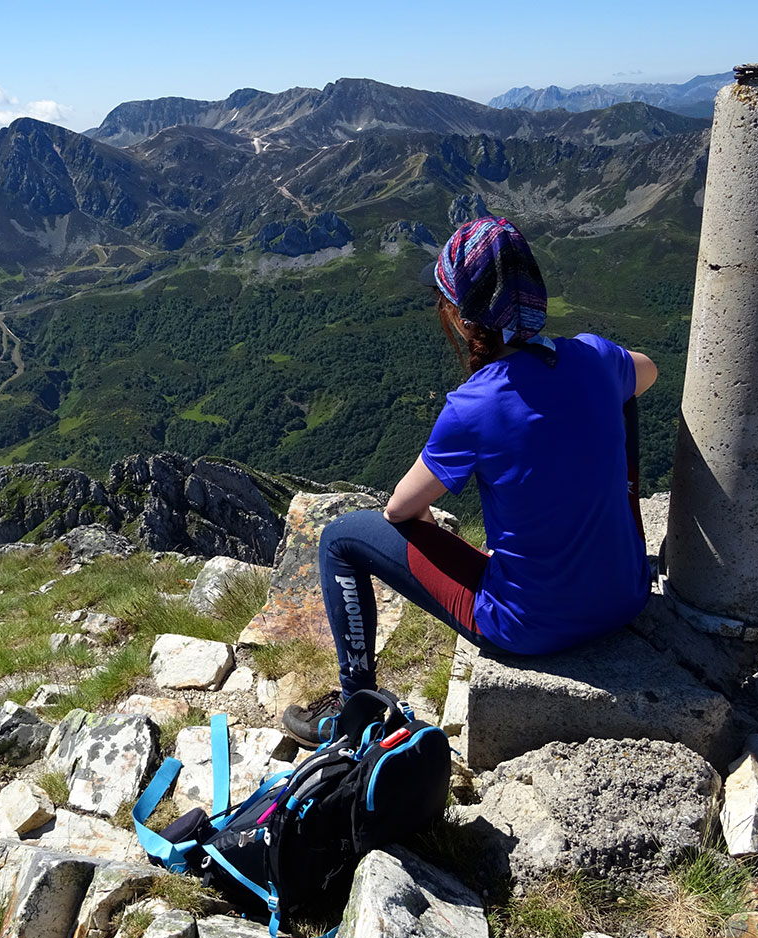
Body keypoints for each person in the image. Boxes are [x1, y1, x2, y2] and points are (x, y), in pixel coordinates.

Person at [282, 216, 658, 745]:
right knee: (626, 397)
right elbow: (647, 370)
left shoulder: (474, 406)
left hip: (530, 626)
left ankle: (354, 709)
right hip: (627, 595)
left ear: (463, 318)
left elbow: (399, 510)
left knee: (340, 539)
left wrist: (441, 538)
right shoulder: (593, 357)